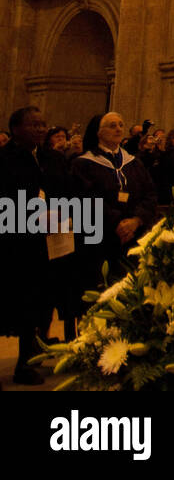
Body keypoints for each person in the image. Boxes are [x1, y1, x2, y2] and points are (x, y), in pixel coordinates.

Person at [0, 107, 86, 383]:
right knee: (11, 304)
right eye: (33, 125)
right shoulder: (4, 159)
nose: (39, 129)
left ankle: (25, 363)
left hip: (49, 244)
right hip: (15, 244)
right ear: (15, 129)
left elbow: (71, 191)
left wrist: (63, 211)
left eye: (42, 124)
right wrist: (30, 215)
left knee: (36, 305)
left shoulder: (53, 158)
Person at [73, 111, 158, 284]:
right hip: (101, 239)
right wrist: (118, 223)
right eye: (112, 126)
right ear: (98, 132)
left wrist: (136, 220)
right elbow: (87, 199)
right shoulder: (83, 163)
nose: (118, 129)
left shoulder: (133, 162)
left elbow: (150, 194)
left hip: (134, 236)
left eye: (120, 125)